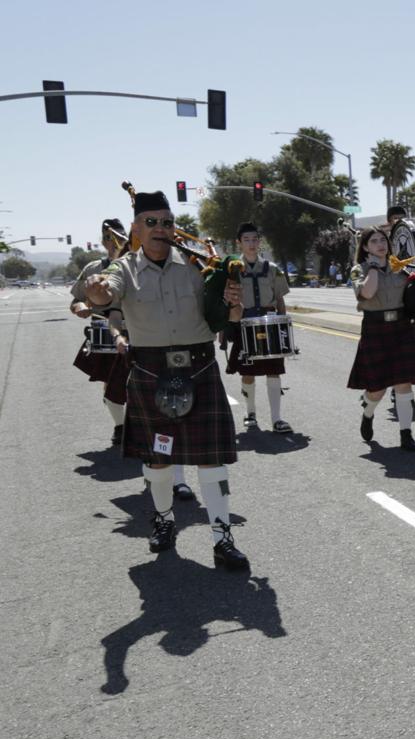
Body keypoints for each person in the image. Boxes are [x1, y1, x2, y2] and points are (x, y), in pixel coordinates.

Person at [84, 190, 248, 569]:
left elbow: (229, 317)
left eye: (168, 222)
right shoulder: (123, 269)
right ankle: (163, 520)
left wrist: (233, 304)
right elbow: (104, 291)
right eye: (152, 222)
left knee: (213, 462)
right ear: (137, 229)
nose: (162, 229)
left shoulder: (199, 265)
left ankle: (222, 537)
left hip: (201, 367)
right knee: (157, 459)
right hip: (150, 373)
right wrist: (96, 292)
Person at [346, 227, 415, 451]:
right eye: (374, 241)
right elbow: (368, 293)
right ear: (366, 247)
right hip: (375, 328)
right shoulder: (358, 270)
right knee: (376, 388)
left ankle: (406, 434)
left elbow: (414, 292)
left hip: (401, 327)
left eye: (383, 240)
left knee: (403, 383)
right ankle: (368, 413)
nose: (380, 244)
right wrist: (375, 268)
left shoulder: (400, 267)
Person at [224, 223, 292, 433]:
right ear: (239, 243)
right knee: (248, 372)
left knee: (274, 371)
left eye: (255, 239)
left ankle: (277, 419)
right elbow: (226, 301)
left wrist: (283, 326)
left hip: (270, 323)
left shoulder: (272, 269)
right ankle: (250, 413)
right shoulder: (232, 269)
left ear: (259, 241)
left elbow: (279, 299)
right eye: (247, 240)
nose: (252, 244)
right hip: (244, 324)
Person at [70, 219, 127, 445]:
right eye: (107, 238)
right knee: (110, 382)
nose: (112, 243)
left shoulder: (137, 264)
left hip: (137, 330)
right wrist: (80, 307)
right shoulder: (93, 268)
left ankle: (138, 422)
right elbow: (76, 301)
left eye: (117, 238)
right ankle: (121, 426)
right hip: (104, 332)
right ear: (103, 242)